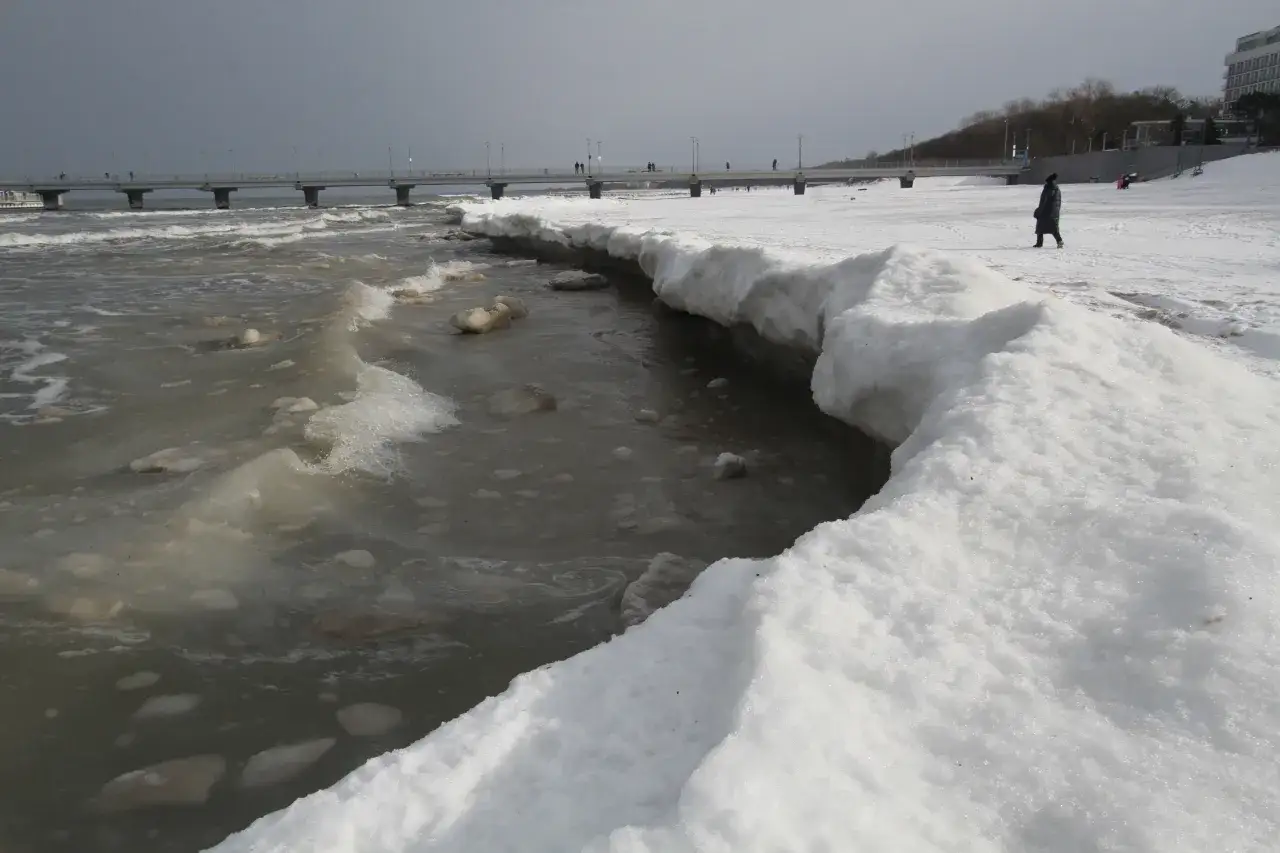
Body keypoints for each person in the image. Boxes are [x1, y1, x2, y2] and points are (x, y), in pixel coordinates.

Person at [1034, 173, 1063, 249]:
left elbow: (1044, 201)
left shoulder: (1048, 189)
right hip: (1054, 212)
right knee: (1053, 227)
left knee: (1040, 226)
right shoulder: (1056, 189)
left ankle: (1039, 243)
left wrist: (1038, 211)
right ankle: (1059, 241)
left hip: (1046, 211)